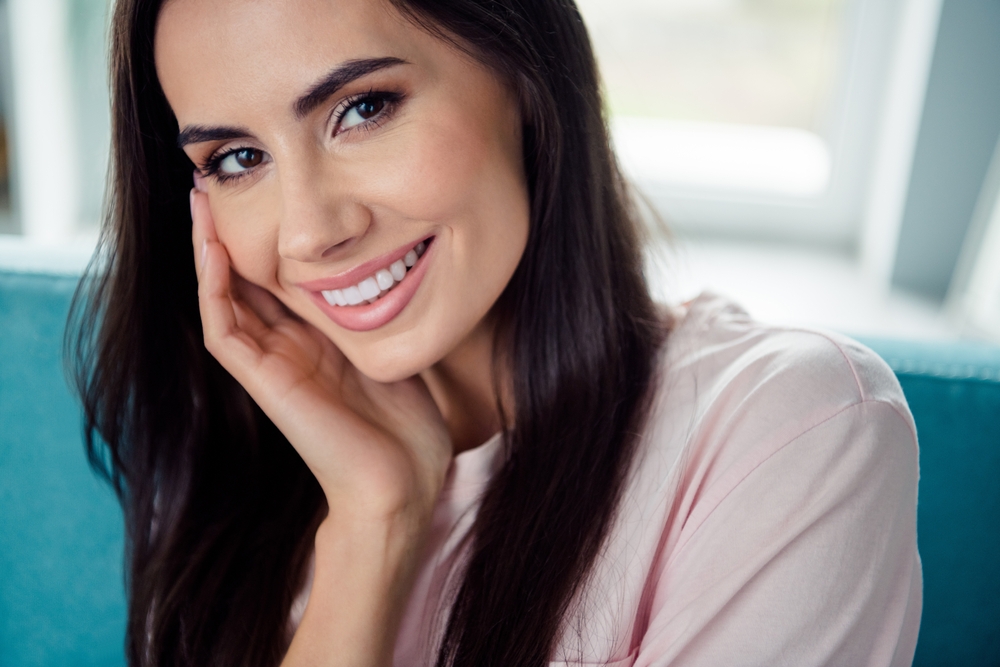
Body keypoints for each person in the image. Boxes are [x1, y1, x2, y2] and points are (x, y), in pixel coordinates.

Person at [71, 0, 922, 664]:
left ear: (523, 70)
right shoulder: (248, 467)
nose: (306, 233)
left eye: (363, 107)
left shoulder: (795, 427)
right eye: (237, 159)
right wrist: (375, 525)